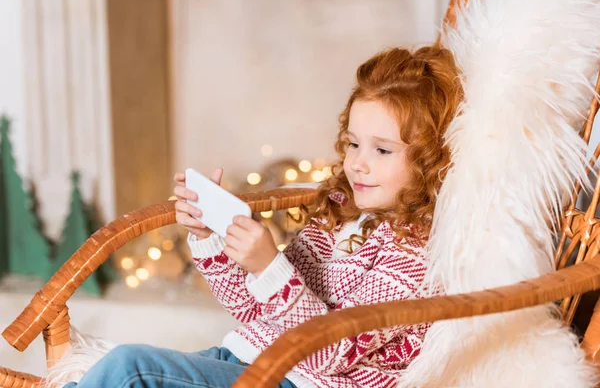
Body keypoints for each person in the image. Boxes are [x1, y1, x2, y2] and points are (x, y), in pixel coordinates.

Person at [63, 45, 462, 388]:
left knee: (129, 369)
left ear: (430, 158)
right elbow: (255, 312)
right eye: (354, 143)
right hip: (243, 358)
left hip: (302, 381)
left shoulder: (416, 254)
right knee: (85, 380)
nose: (358, 163)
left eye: (382, 150)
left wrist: (271, 268)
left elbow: (331, 353)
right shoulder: (338, 217)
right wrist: (209, 237)